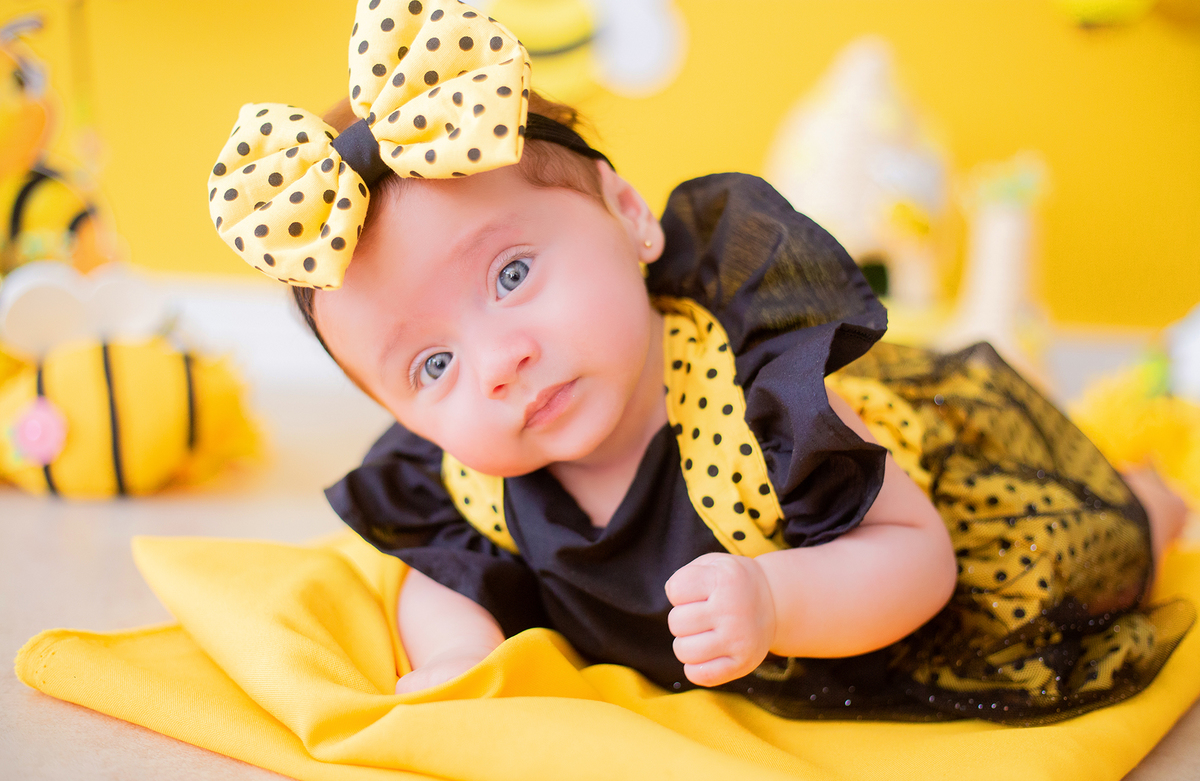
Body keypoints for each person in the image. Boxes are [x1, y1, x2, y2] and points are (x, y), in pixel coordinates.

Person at [207, 0, 1192, 724]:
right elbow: (445, 576)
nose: (498, 363)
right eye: (430, 366)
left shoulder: (771, 404)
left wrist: (777, 598)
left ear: (626, 214)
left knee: (1090, 558)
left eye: (511, 272)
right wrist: (459, 666)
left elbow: (919, 557)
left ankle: (1150, 494)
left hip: (902, 579)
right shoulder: (469, 478)